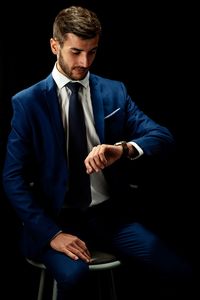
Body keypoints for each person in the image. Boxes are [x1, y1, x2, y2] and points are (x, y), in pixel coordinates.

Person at [2, 5, 192, 299]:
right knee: (75, 277)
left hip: (107, 217)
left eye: (92, 52)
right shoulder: (28, 103)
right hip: (54, 219)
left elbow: (162, 136)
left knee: (177, 270)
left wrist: (123, 149)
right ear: (55, 46)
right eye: (76, 51)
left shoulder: (114, 92)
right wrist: (52, 234)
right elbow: (12, 179)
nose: (85, 61)